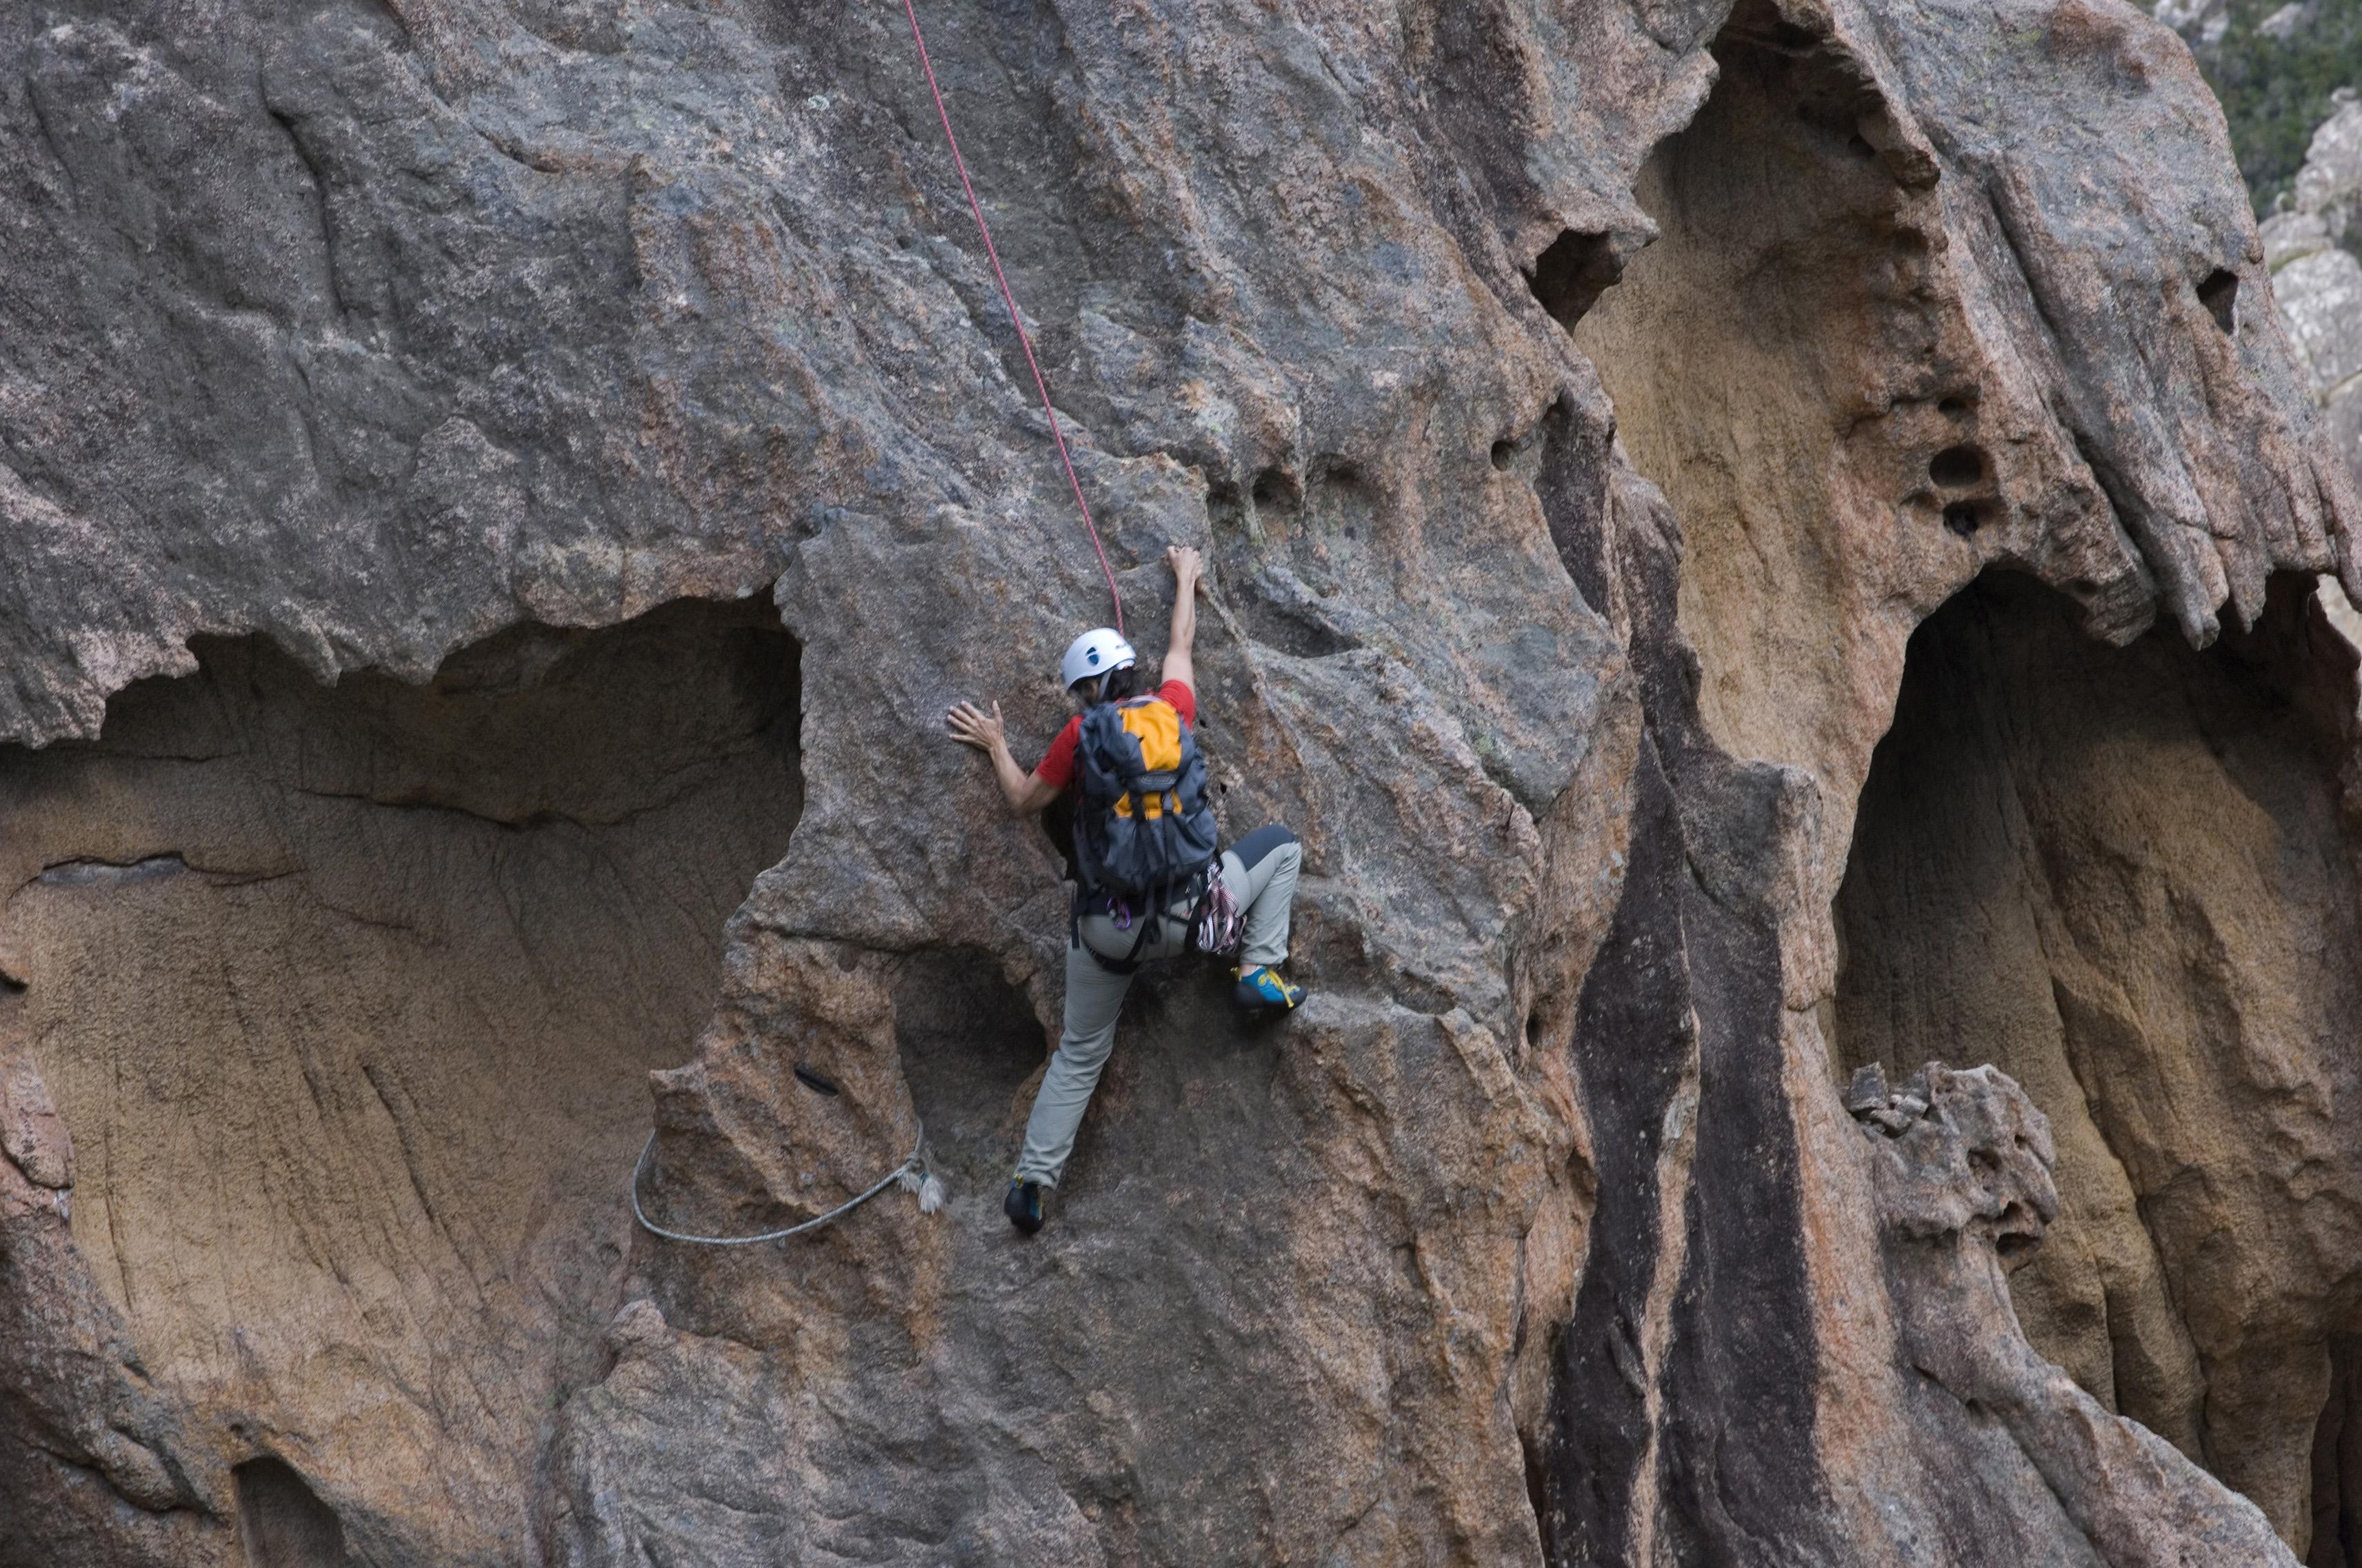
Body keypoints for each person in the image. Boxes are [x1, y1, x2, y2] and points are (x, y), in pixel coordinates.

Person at [946, 545, 1306, 1235]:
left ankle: (1031, 1184)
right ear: (1128, 672)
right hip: (1194, 913)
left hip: (1109, 928)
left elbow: (1024, 800)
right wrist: (1186, 579)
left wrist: (994, 741)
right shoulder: (1172, 710)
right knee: (1280, 846)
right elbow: (1180, 645)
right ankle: (1260, 971)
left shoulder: (1078, 736)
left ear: (1085, 691)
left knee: (1080, 1055)